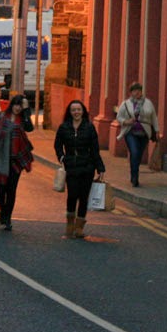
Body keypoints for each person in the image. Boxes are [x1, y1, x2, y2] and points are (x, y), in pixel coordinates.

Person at [52, 99, 104, 239]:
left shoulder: (89, 127)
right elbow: (57, 145)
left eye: (79, 110)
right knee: (72, 194)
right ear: (70, 112)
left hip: (87, 166)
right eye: (73, 110)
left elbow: (95, 149)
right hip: (71, 166)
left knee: (83, 197)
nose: (76, 112)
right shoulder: (64, 127)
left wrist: (100, 167)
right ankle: (70, 224)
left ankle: (79, 227)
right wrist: (62, 158)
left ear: (83, 112)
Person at [0, 94, 34, 231]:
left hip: (16, 160)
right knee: (0, 191)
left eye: (20, 105)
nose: (18, 108)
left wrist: (27, 110)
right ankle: (3, 210)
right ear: (11, 105)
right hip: (1, 158)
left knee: (11, 190)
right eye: (16, 104)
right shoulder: (1, 118)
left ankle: (7, 218)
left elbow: (30, 128)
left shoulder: (22, 120)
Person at [114, 82, 160, 188]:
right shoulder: (125, 104)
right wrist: (126, 121)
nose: (137, 92)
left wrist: (157, 131)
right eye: (134, 91)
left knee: (138, 155)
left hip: (144, 133)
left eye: (139, 90)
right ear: (131, 92)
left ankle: (133, 171)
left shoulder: (148, 103)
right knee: (134, 152)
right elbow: (119, 117)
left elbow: (154, 117)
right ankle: (135, 177)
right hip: (131, 133)